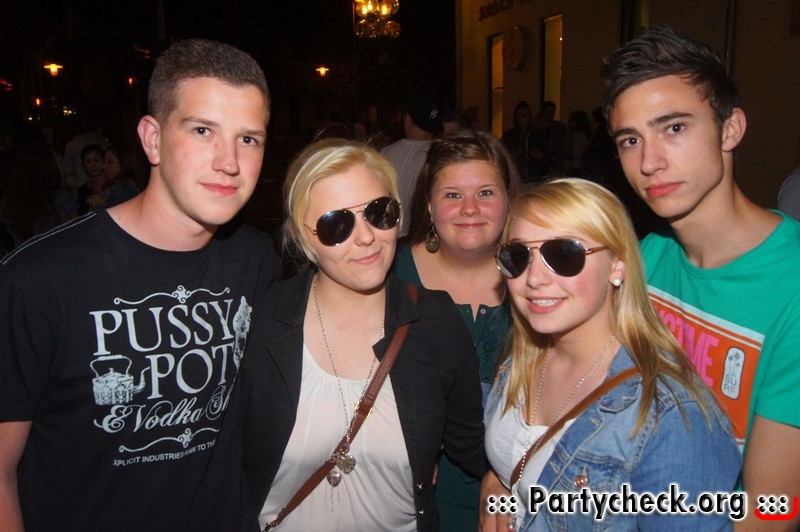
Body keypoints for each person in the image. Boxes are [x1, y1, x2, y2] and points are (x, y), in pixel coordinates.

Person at [0, 38, 280, 532]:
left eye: (248, 139)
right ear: (152, 139)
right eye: (202, 131)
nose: (229, 162)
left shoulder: (256, 260)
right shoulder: (38, 280)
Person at [602, 24, 800, 528]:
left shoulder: (791, 285)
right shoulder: (645, 258)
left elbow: (770, 514)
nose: (649, 162)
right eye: (630, 139)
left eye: (674, 128)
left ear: (730, 129)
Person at [238, 138, 487, 531]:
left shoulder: (436, 322)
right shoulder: (262, 319)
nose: (367, 237)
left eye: (379, 213)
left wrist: (501, 478)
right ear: (302, 236)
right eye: (335, 225)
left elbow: (471, 445)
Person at [480, 178, 741, 531]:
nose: (534, 278)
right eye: (519, 256)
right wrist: (498, 481)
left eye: (564, 254)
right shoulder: (522, 358)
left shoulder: (672, 418)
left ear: (618, 264)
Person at [393, 129, 520, 530]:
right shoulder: (388, 276)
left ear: (508, 200)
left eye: (485, 193)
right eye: (452, 195)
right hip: (412, 493)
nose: (470, 208)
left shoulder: (542, 276)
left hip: (519, 492)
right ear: (429, 206)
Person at [381, 88, 442, 237]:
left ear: (407, 118)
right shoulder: (442, 154)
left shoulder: (386, 153)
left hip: (394, 235)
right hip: (428, 237)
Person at [0, 142, 77, 248]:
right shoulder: (62, 199)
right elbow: (77, 232)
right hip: (60, 254)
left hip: (26, 255)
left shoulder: (10, 203)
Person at [501, 101, 549, 183]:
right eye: (521, 115)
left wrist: (540, 155)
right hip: (516, 178)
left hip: (535, 178)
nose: (525, 118)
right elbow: (502, 157)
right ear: (516, 117)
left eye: (527, 114)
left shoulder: (538, 134)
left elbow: (548, 155)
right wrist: (513, 155)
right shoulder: (509, 135)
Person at [76, 143, 106, 214]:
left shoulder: (115, 185)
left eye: (97, 160)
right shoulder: (82, 191)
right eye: (88, 162)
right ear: (85, 166)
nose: (93, 165)